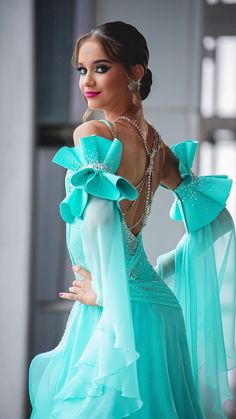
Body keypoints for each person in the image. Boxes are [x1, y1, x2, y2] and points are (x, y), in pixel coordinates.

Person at [29, 21, 236, 418]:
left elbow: (98, 220)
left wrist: (104, 293)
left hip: (115, 314)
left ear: (135, 73)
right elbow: (213, 218)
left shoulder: (93, 132)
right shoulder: (159, 146)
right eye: (82, 70)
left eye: (101, 67)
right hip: (160, 311)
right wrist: (167, 269)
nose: (87, 81)